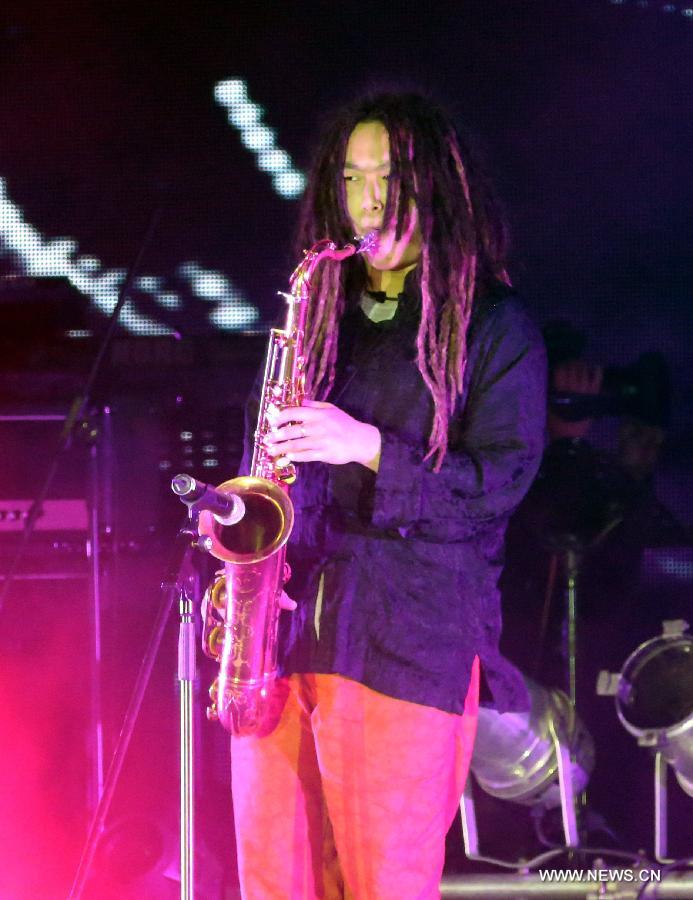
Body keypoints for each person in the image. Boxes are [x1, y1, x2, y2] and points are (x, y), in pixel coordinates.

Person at [231, 91, 547, 899]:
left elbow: (496, 487)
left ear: (437, 184)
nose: (368, 200)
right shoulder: (319, 313)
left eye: (391, 177)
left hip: (405, 648)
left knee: (383, 886)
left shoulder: (493, 325)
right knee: (275, 882)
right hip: (285, 639)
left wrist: (368, 447)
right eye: (352, 178)